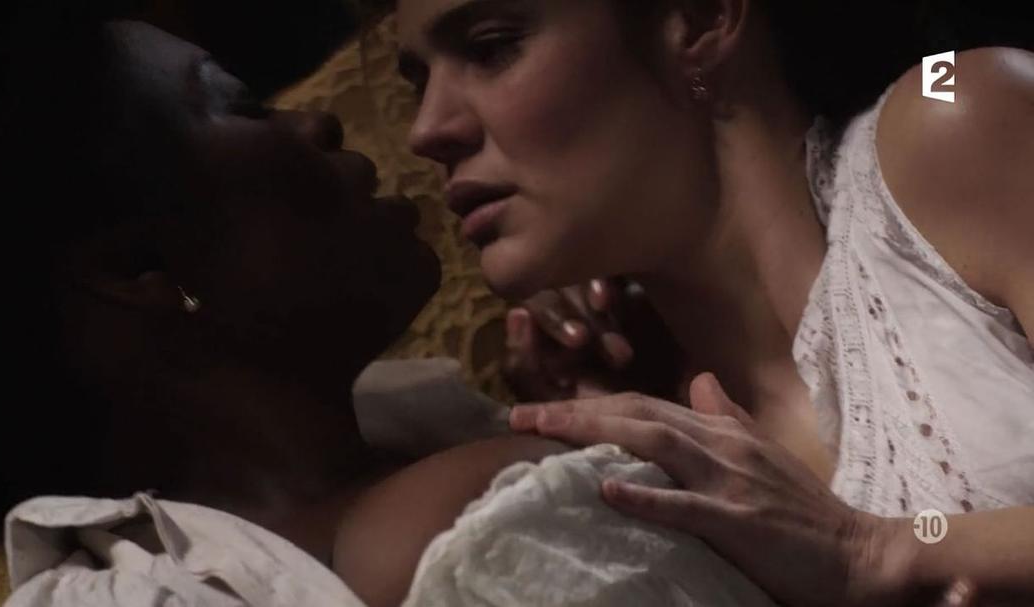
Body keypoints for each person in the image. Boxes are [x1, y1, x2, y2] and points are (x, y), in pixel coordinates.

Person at [391, 0, 1034, 604]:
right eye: (419, 82)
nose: (426, 131)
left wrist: (881, 549)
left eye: (491, 47)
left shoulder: (954, 108)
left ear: (699, 19)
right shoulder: (642, 452)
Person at [0, 7, 577, 606]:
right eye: (243, 106)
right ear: (138, 267)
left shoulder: (437, 434)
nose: (317, 123)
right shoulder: (462, 521)